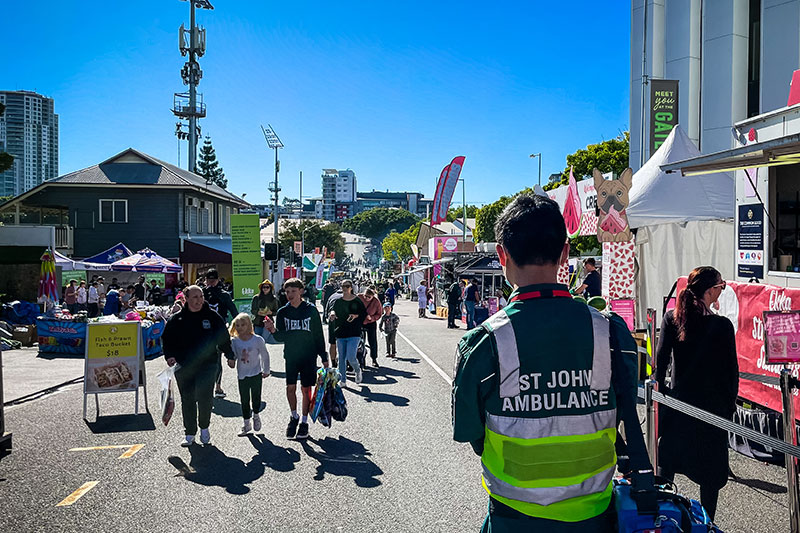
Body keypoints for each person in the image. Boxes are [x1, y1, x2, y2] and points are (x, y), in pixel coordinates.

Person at [452, 194, 655, 532]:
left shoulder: (483, 342)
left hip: (513, 519)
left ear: (501, 255)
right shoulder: (610, 331)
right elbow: (624, 406)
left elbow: (471, 434)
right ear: (565, 253)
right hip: (597, 518)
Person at [656, 266, 738, 521]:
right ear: (711, 291)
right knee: (710, 477)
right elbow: (731, 373)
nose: (721, 291)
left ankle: (663, 519)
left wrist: (662, 399)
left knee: (667, 467)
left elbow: (660, 365)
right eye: (720, 287)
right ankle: (707, 523)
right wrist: (729, 408)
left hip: (678, 406)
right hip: (711, 410)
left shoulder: (673, 318)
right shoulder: (722, 325)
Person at [162, 286, 233, 447]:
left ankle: (204, 428)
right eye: (195, 297)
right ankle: (189, 433)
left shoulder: (212, 316)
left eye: (201, 296)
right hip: (184, 365)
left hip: (207, 365)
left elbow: (223, 337)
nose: (199, 300)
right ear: (186, 299)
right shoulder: (177, 319)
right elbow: (167, 339)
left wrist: (230, 355)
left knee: (204, 397)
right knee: (187, 399)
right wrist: (170, 355)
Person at [264, 278, 329, 440]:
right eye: (287, 291)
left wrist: (324, 356)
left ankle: (305, 422)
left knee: (306, 389)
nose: (290, 294)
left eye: (293, 291)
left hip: (309, 355)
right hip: (291, 355)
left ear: (301, 291)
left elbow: (318, 335)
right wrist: (272, 330)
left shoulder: (311, 310)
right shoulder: (283, 312)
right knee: (290, 388)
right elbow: (281, 337)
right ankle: (294, 416)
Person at [228, 313, 270, 436]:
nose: (240, 328)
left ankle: (256, 415)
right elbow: (234, 355)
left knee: (256, 397)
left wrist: (266, 370)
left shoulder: (257, 340)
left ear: (249, 325)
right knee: (244, 399)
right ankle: (246, 423)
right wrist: (231, 361)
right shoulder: (234, 341)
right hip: (242, 375)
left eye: (243, 325)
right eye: (237, 325)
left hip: (256, 373)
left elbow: (264, 355)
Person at [203, 269, 240, 399]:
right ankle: (205, 387)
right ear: (206, 280)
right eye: (209, 280)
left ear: (218, 280)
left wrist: (238, 326)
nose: (211, 282)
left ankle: (218, 387)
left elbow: (234, 312)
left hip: (219, 329)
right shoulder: (202, 293)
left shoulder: (224, 295)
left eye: (214, 280)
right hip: (203, 330)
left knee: (217, 359)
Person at [329, 279, 366, 388]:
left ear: (351, 287)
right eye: (343, 286)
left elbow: (363, 313)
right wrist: (332, 314)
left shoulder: (357, 300)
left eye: (347, 286)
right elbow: (332, 310)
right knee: (341, 358)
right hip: (341, 331)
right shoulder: (338, 301)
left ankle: (357, 370)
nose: (345, 288)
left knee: (351, 356)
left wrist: (356, 316)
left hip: (354, 332)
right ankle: (343, 380)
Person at [359, 287, 383, 367]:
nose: (366, 298)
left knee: (372, 341)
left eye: (369, 297)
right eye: (365, 296)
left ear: (373, 296)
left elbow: (379, 314)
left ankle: (374, 359)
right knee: (359, 342)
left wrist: (372, 318)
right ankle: (361, 359)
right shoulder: (359, 297)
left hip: (370, 323)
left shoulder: (376, 302)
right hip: (360, 322)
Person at [251, 280, 280, 344]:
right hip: (257, 322)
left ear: (270, 288)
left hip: (268, 323)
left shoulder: (274, 299)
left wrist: (271, 313)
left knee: (263, 341)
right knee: (256, 342)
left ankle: (262, 353)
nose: (265, 289)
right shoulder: (256, 298)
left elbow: (276, 311)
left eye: (267, 287)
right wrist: (257, 312)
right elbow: (253, 310)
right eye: (264, 287)